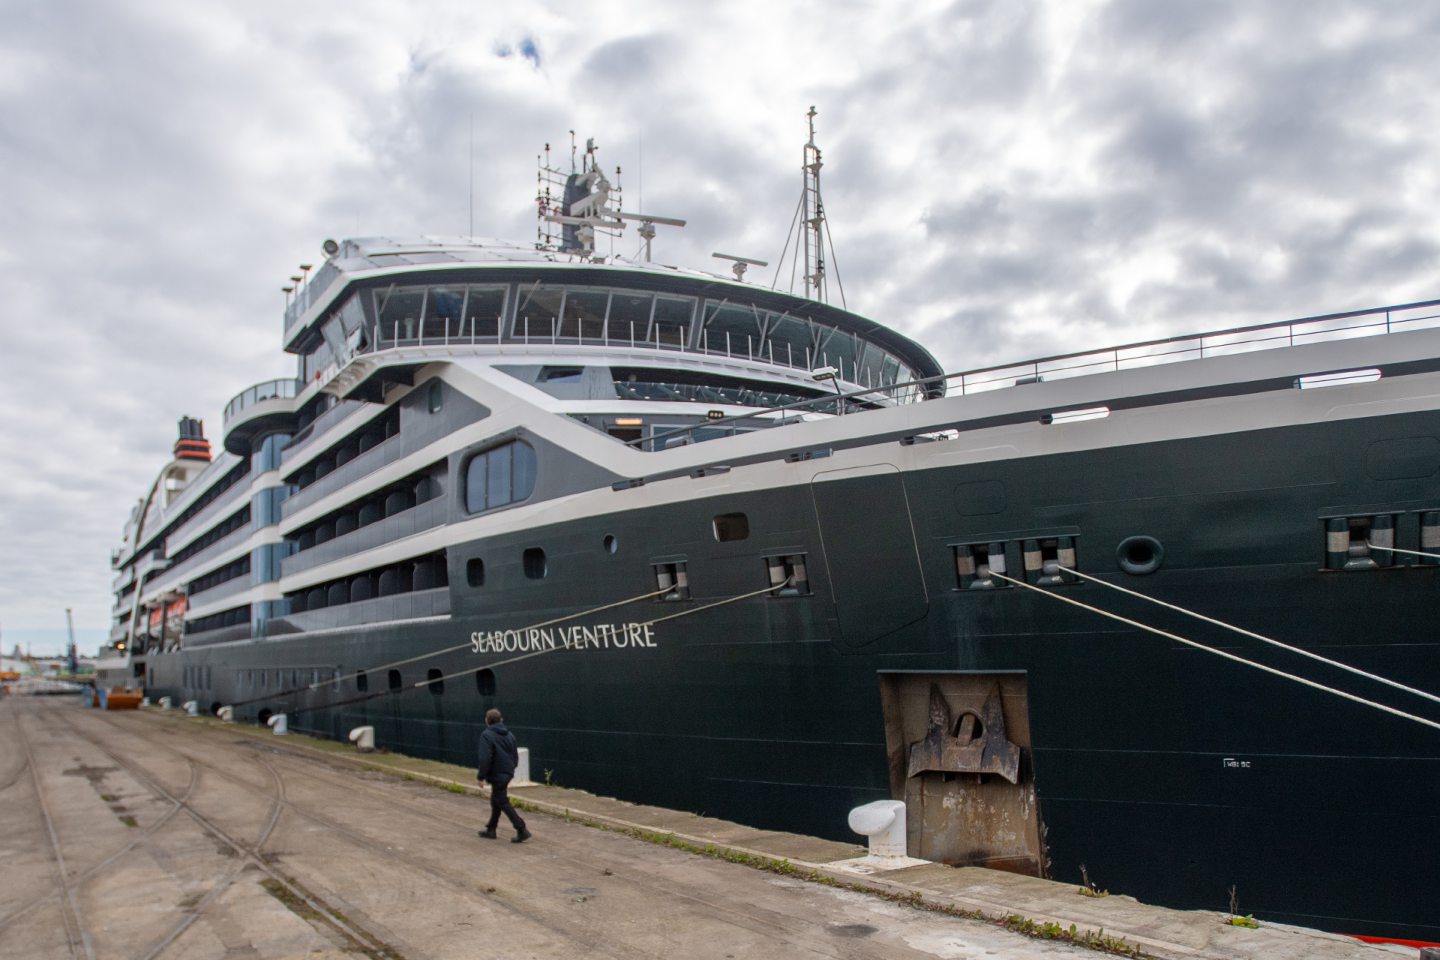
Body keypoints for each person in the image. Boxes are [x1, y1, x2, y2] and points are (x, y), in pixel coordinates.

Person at [476, 707, 531, 843]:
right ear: (501, 720)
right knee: (496, 800)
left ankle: (521, 828)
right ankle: (491, 829)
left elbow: (485, 758)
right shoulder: (510, 735)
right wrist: (511, 768)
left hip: (496, 774)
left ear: (487, 721)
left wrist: (481, 776)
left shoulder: (486, 735)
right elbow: (514, 755)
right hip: (508, 772)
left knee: (502, 801)